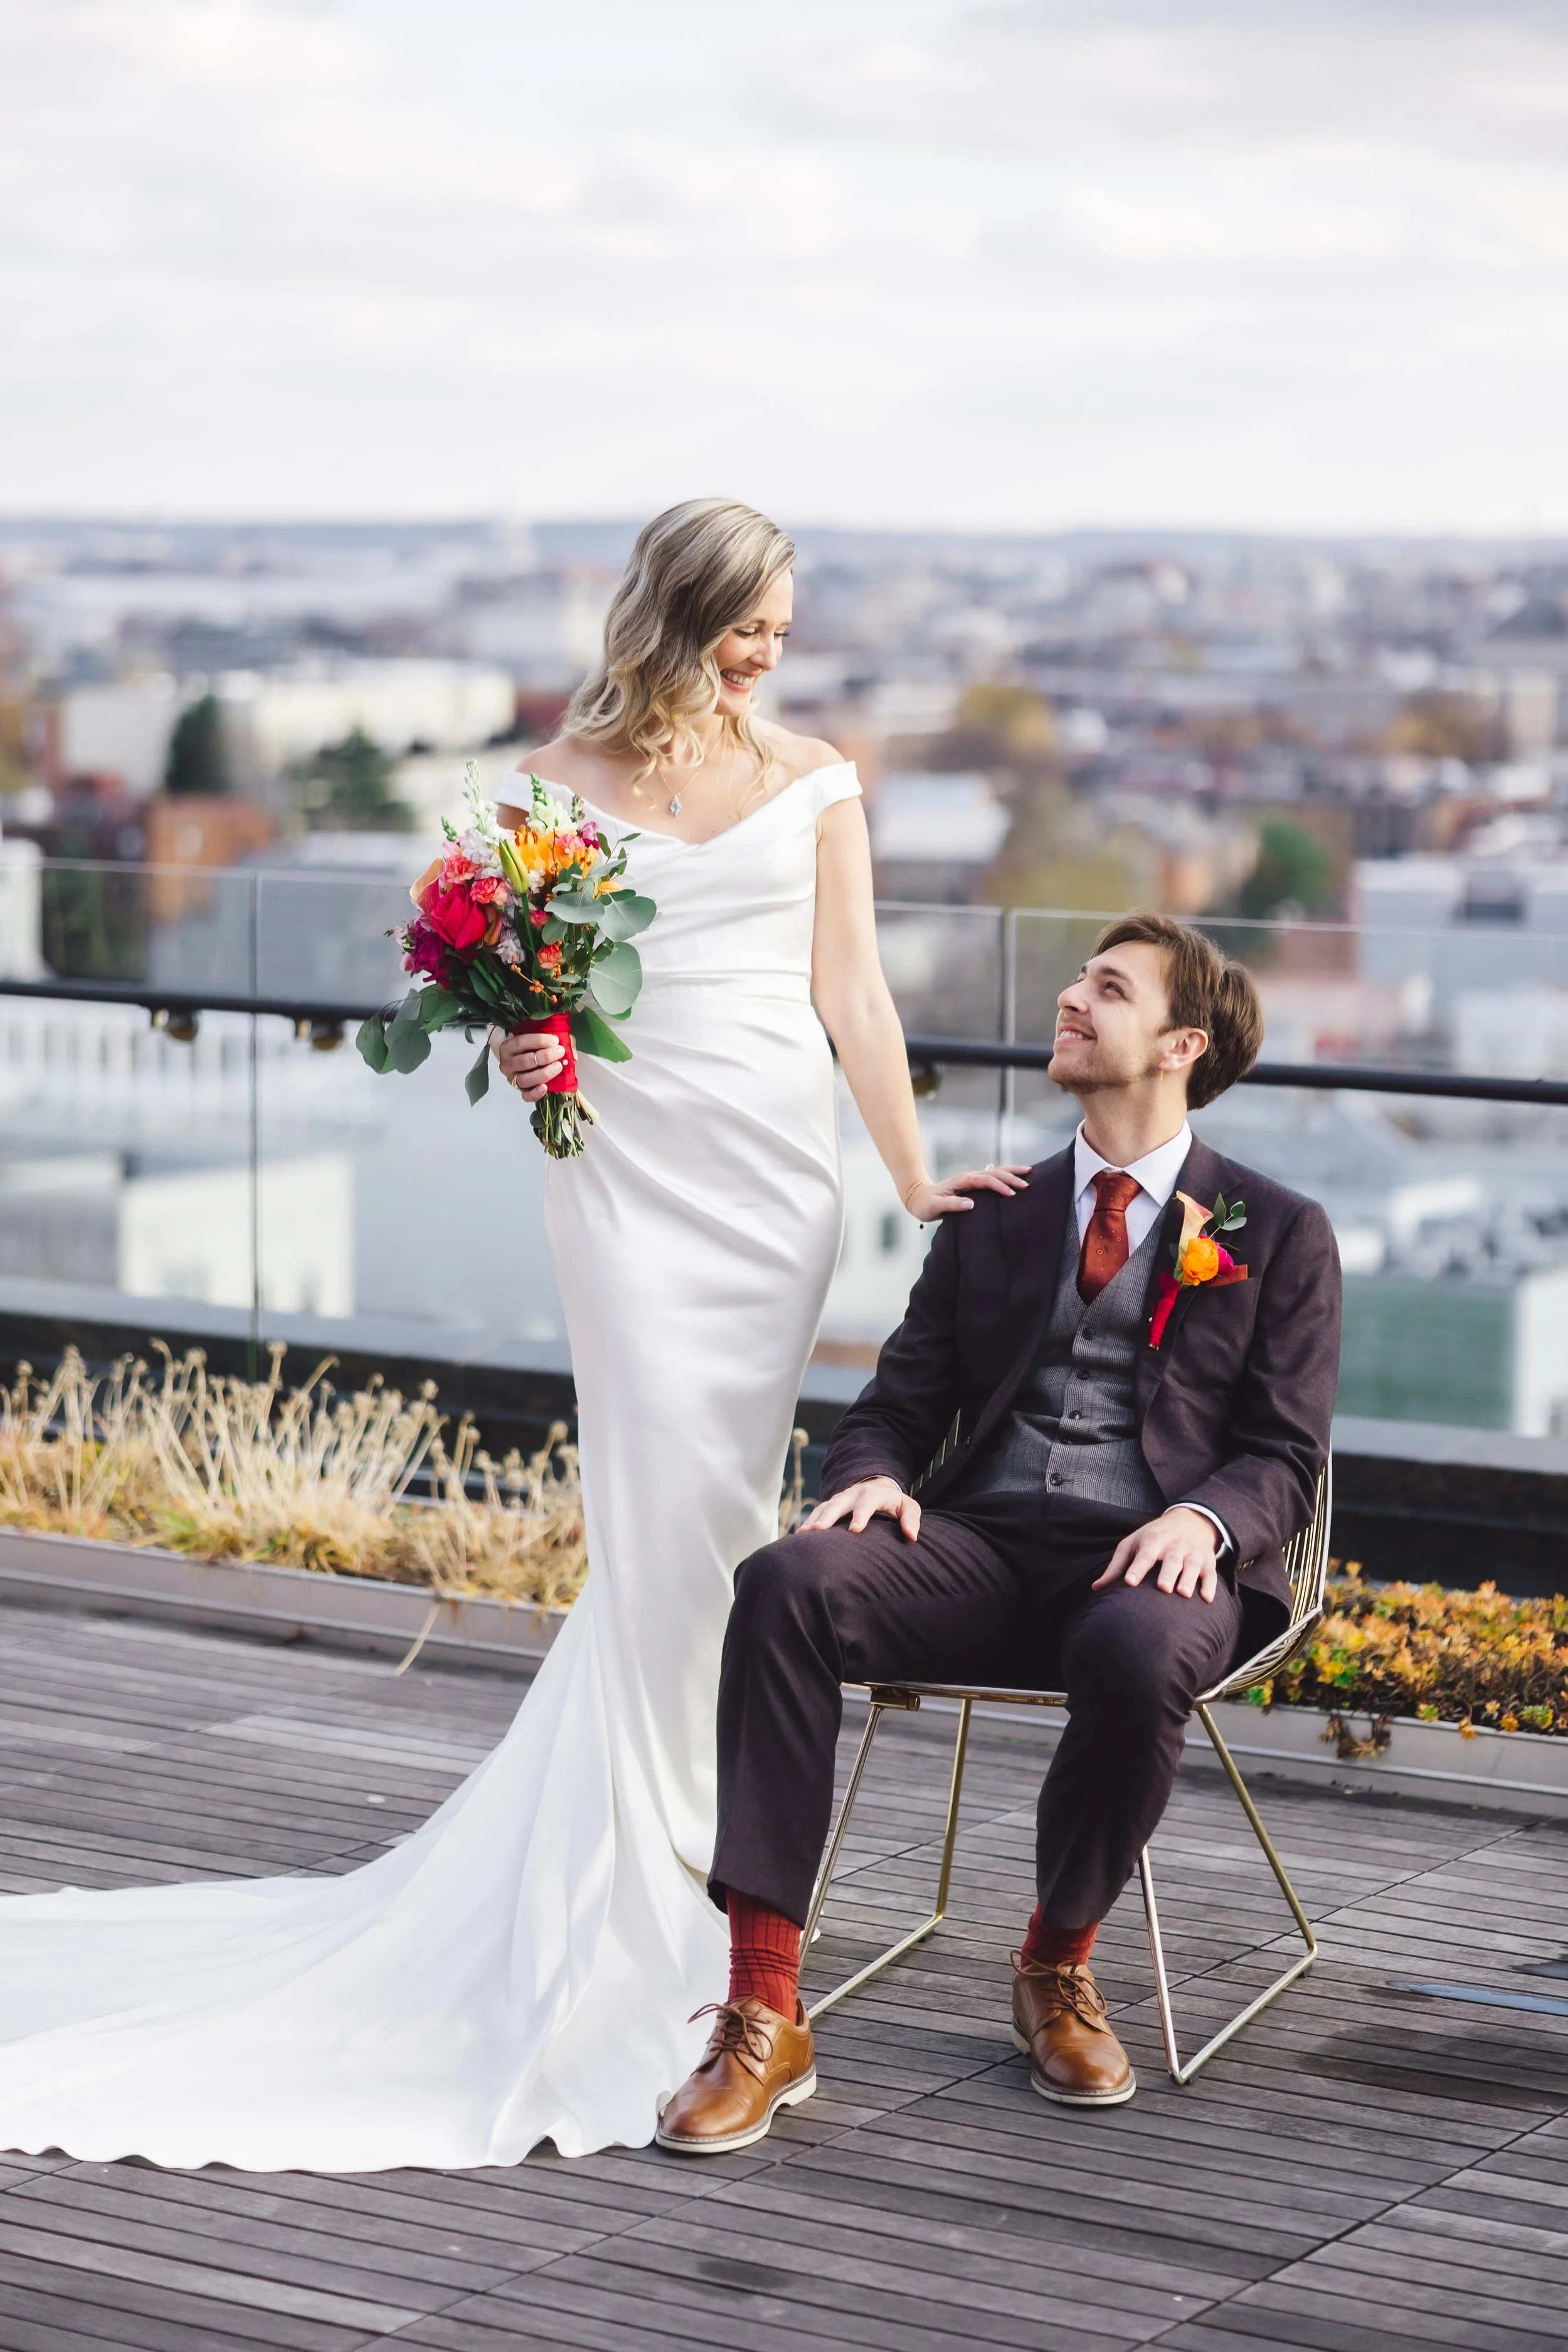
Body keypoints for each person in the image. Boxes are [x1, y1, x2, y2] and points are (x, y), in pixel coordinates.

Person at [0, 500, 1020, 2173]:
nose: (768, 645)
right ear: (674, 613)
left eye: (782, 617)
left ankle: (706, 1902)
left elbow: (856, 997)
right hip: (616, 1180)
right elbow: (512, 991)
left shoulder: (821, 778)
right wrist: (531, 1049)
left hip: (770, 1190)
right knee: (654, 1513)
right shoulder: (555, 782)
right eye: (744, 617)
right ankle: (683, 1912)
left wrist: (909, 1173)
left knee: (709, 1528)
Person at [658, 912, 1341, 2154]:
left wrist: (1201, 1518)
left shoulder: (1276, 1228)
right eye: (1077, 979)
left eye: (1108, 989)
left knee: (1140, 1653)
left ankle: (1053, 1965)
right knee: (784, 1581)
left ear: (1179, 1044)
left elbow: (1284, 1456)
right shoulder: (993, 1211)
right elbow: (894, 1405)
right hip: (975, 1544)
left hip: (1148, 1560)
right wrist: (868, 1476)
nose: (1072, 1001)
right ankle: (762, 2007)